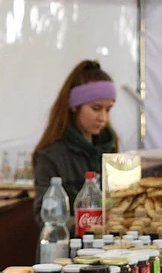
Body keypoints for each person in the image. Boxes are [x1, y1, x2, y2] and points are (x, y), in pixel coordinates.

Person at [32, 60, 119, 226]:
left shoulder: (110, 148)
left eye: (108, 109)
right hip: (67, 248)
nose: (103, 118)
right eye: (96, 108)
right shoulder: (51, 155)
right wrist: (91, 221)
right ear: (74, 106)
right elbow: (43, 217)